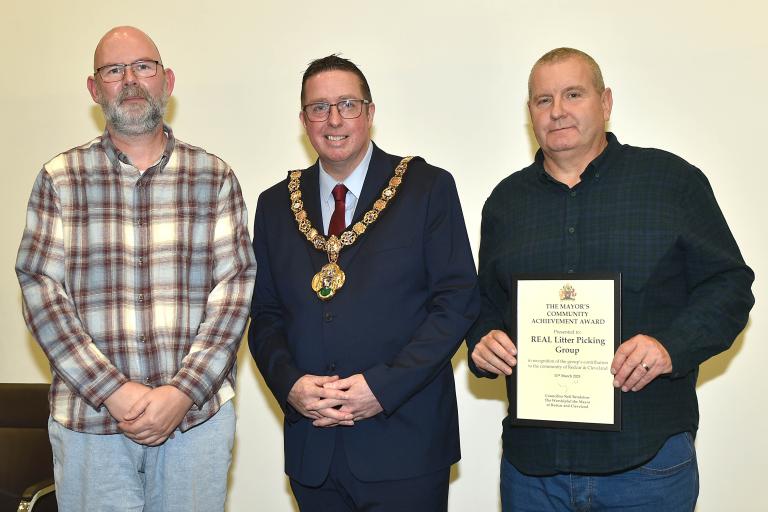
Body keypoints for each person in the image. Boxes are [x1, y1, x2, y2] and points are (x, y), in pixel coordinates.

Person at [467, 47, 754, 511]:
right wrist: (483, 340)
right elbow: (484, 303)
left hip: (645, 463)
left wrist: (670, 347)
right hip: (533, 470)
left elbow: (729, 286)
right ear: (530, 112)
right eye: (543, 100)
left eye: (573, 94)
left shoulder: (670, 181)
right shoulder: (505, 202)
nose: (557, 111)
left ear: (605, 102)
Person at [16, 26, 256, 511]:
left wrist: (181, 392)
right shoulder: (60, 179)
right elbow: (41, 292)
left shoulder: (214, 177)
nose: (130, 80)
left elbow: (235, 293)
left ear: (167, 81)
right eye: (114, 70)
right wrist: (114, 391)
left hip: (195, 423)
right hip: (90, 425)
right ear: (94, 88)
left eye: (143, 67)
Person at [249, 55, 479, 511]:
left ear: (370, 113)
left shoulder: (426, 188)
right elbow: (265, 315)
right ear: (303, 121)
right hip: (313, 448)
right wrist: (291, 385)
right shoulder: (274, 205)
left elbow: (456, 302)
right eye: (319, 107)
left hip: (406, 443)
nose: (334, 119)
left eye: (347, 104)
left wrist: (382, 388)